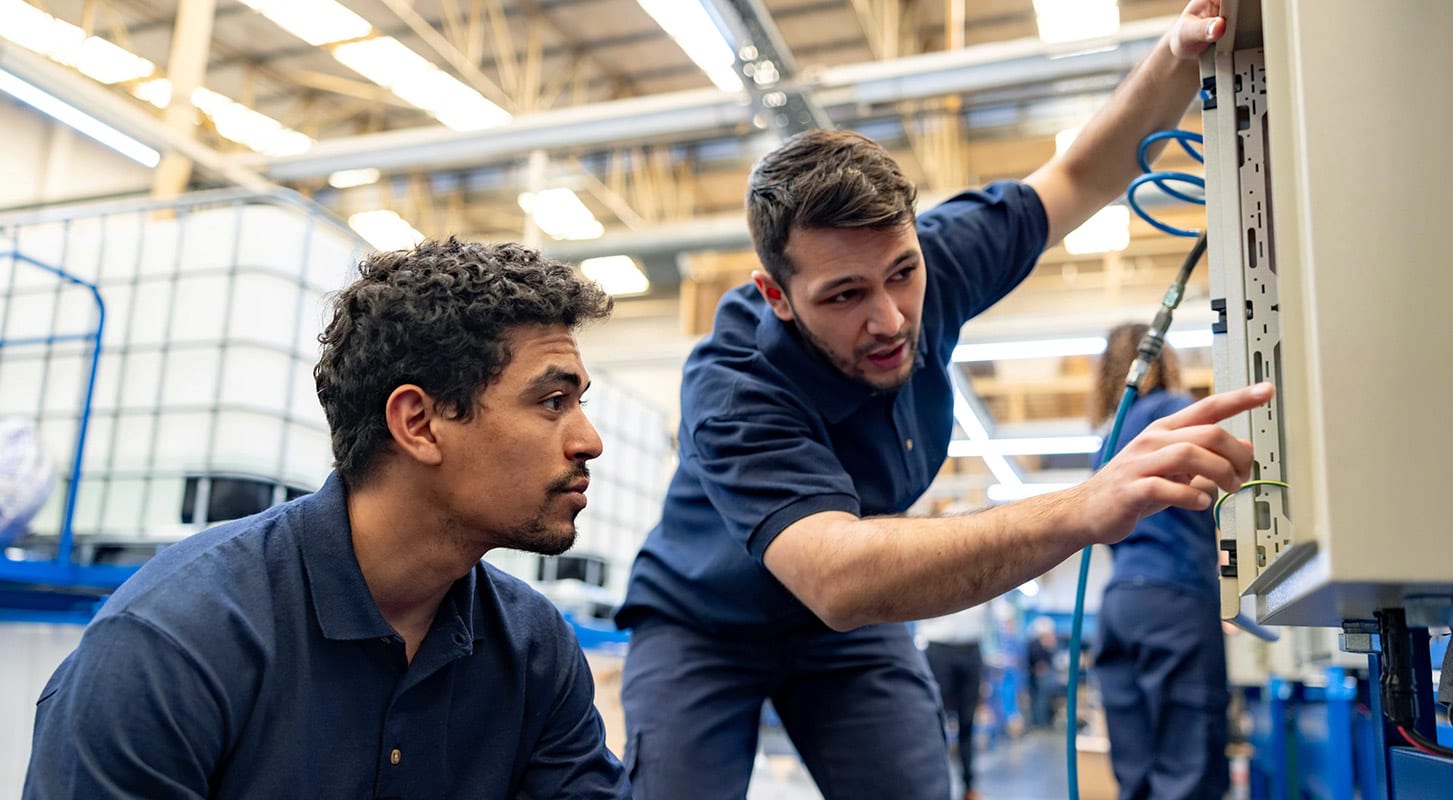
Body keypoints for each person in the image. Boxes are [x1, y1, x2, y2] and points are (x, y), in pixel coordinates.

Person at [613, 3, 1261, 797]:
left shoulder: (940, 259)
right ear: (776, 296)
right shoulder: (733, 386)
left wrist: (1173, 51)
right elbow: (839, 577)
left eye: (900, 272)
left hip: (843, 638)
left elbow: (1077, 176)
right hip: (704, 623)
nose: (888, 319)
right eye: (843, 294)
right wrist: (1084, 505)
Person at [24, 239, 631, 799]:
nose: (589, 440)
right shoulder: (171, 647)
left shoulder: (535, 650)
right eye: (553, 402)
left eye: (580, 403)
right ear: (417, 423)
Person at [1089, 322, 1229, 800]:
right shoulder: (1175, 414)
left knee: (1137, 772)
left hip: (1118, 609)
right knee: (1187, 768)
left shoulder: (1104, 445)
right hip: (1176, 600)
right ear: (1165, 360)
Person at [918, 604, 990, 800]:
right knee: (934, 722)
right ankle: (933, 789)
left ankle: (969, 787)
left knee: (967, 722)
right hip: (938, 649)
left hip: (972, 649)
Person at [1026, 616, 1061, 729]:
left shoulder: (1044, 644)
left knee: (1042, 700)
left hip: (1042, 677)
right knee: (1040, 700)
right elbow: (1039, 664)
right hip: (1039, 677)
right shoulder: (1035, 644)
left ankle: (1042, 721)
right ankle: (1040, 723)